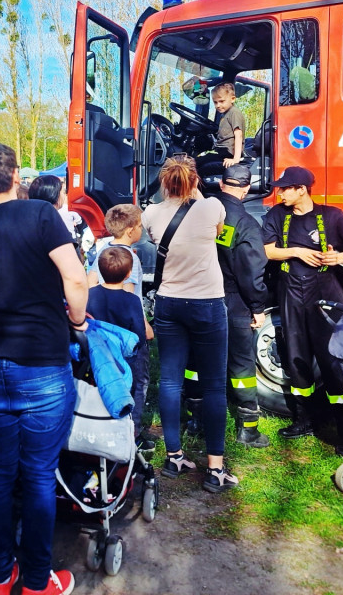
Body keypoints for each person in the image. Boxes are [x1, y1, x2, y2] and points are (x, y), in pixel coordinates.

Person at [0, 142, 86, 595]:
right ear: (15, 177)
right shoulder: (41, 216)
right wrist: (79, 319)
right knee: (38, 475)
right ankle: (34, 581)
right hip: (42, 363)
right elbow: (75, 276)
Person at [262, 166, 343, 459]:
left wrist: (340, 257)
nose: (280, 192)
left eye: (286, 188)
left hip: (324, 296)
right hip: (290, 294)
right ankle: (304, 421)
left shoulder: (332, 215)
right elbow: (268, 251)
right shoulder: (277, 215)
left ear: (302, 189)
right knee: (297, 359)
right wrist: (297, 252)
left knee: (332, 362)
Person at [142, 155, 238, 493]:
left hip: (169, 304)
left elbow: (164, 227)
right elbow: (217, 230)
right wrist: (194, 191)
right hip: (207, 304)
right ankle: (215, 469)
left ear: (163, 182)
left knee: (169, 382)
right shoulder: (211, 207)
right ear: (194, 180)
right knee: (213, 386)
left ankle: (174, 457)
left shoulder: (150, 214)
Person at [186, 164, 270, 447]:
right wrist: (257, 306)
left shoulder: (196, 213)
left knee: (196, 362)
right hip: (232, 302)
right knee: (241, 364)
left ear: (222, 184)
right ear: (246, 189)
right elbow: (252, 271)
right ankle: (248, 429)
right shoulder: (245, 224)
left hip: (198, 297)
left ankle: (195, 420)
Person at [87, 246, 151, 433]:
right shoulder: (131, 301)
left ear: (99, 270)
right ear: (128, 274)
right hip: (126, 360)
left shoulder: (90, 295)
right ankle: (133, 430)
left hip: (98, 357)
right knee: (138, 387)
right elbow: (138, 335)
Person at [86, 204, 145, 294]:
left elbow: (91, 281)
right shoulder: (130, 258)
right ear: (130, 231)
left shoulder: (104, 249)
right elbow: (128, 293)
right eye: (140, 226)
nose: (142, 229)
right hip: (127, 307)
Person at [196, 82, 246, 174]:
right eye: (215, 102)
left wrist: (235, 159)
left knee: (197, 163)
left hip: (228, 152)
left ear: (233, 99)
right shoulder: (225, 114)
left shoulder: (234, 113)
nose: (218, 105)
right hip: (221, 150)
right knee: (198, 160)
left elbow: (238, 135)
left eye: (221, 101)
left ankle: (194, 187)